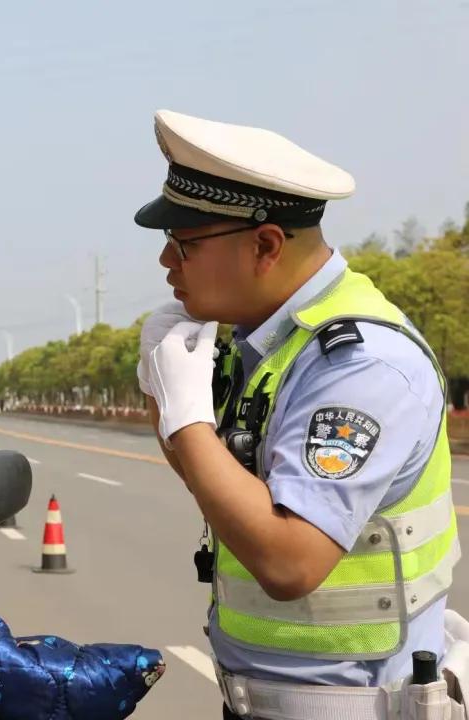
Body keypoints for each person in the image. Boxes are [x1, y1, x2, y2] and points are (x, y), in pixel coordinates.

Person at [133, 110, 465, 719]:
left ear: (265, 246)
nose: (165, 262)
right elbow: (221, 495)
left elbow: (289, 561)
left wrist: (187, 419)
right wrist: (165, 399)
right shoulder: (271, 346)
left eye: (184, 244)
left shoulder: (359, 366)